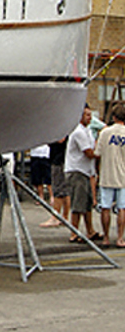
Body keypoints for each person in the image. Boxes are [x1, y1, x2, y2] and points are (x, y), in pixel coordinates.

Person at [64, 104, 101, 242]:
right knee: (78, 203)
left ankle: (90, 230)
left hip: (86, 171)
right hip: (77, 170)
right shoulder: (78, 131)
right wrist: (101, 153)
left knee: (87, 203)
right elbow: (89, 152)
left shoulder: (88, 131)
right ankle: (74, 232)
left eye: (90, 115)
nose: (89, 117)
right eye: (87, 115)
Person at [93, 104, 125, 247]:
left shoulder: (105, 133)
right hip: (123, 176)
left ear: (114, 117)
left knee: (105, 207)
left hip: (106, 175)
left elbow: (97, 153)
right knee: (122, 208)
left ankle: (106, 237)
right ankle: (119, 238)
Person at [40, 134, 70, 227]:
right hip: (60, 158)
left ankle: (56, 216)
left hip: (59, 160)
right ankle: (64, 217)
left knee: (58, 189)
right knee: (64, 190)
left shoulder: (61, 130)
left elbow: (61, 139)